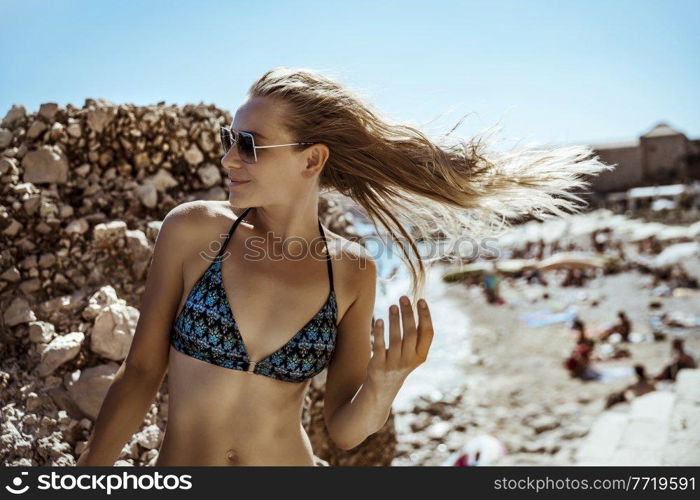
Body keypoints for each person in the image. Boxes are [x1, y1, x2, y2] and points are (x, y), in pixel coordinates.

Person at [76, 67, 609, 466]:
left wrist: (384, 385)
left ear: (311, 160)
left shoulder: (351, 272)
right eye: (228, 141)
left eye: (249, 145)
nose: (229, 159)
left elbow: (344, 430)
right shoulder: (193, 231)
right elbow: (142, 372)